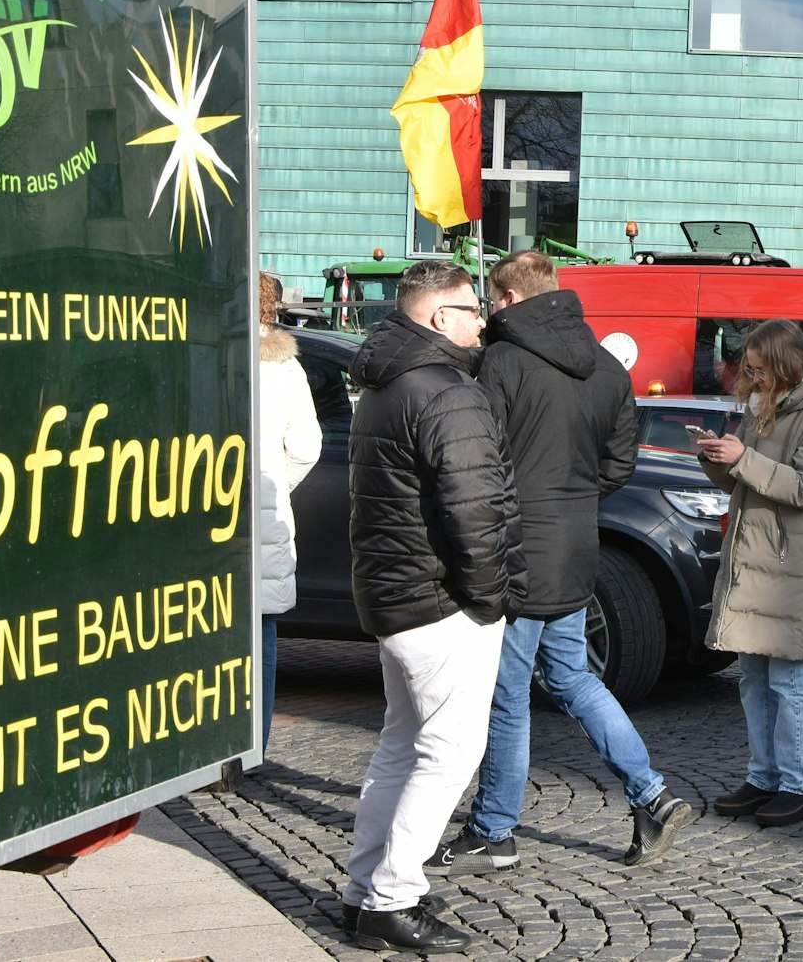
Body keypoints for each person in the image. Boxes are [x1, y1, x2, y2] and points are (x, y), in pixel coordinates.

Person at [440, 250, 694, 873]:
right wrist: (573, 498)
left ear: (505, 299)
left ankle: (494, 829)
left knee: (508, 694)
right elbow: (620, 462)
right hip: (578, 542)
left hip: (517, 550)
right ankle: (651, 795)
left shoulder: (499, 362)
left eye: (491, 301)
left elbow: (476, 458)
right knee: (572, 677)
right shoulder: (607, 365)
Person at [340, 260, 528, 954]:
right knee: (448, 752)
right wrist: (488, 599)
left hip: (397, 595)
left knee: (401, 745)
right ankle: (391, 895)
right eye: (470, 307)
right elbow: (475, 509)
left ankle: (364, 889)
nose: (483, 318)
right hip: (440, 600)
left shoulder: (386, 385)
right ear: (436, 317)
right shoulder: (447, 390)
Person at [696, 320, 803, 826]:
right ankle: (764, 775)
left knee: (787, 678)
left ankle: (800, 785)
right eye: (750, 370)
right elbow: (744, 476)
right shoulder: (764, 406)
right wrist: (719, 457)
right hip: (755, 559)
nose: (753, 378)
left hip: (787, 564)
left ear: (784, 364)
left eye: (761, 370)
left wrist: (743, 459)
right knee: (754, 678)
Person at [256, 273, 321, 751]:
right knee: (261, 629)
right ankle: (253, 747)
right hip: (264, 512)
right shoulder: (283, 368)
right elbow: (306, 448)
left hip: (199, 517)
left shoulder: (198, 353)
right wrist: (276, 485)